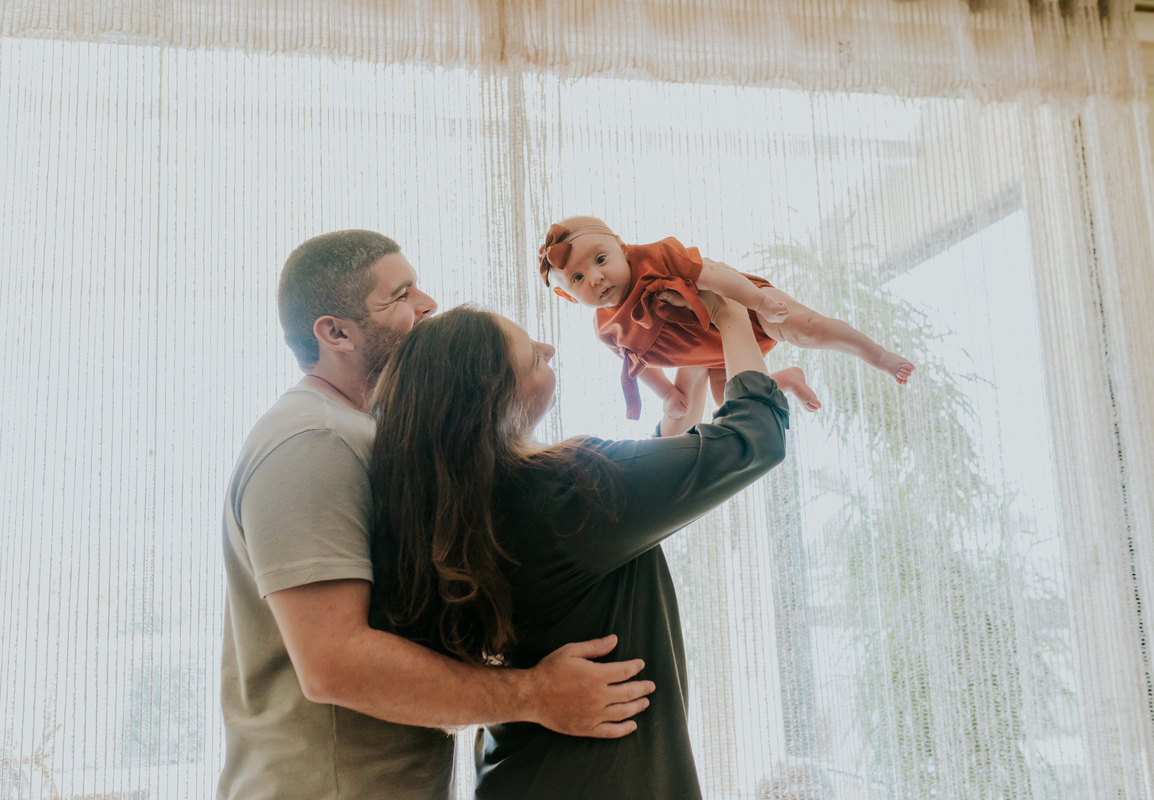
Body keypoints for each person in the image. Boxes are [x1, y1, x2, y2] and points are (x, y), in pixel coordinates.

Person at [218, 230, 655, 800]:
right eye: (400, 295)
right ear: (336, 332)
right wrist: (535, 696)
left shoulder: (369, 435)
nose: (427, 305)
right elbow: (334, 662)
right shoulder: (314, 442)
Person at [369, 292, 791, 798]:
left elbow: (626, 511)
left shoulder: (460, 508)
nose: (548, 347)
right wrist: (729, 317)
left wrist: (693, 377)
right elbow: (755, 437)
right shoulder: (567, 491)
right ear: (497, 397)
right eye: (531, 355)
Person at [538, 215, 914, 433]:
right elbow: (635, 365)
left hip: (743, 308)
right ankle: (788, 379)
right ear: (569, 297)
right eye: (577, 278)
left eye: (601, 259)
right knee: (729, 406)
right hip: (709, 354)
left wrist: (760, 301)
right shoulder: (607, 327)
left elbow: (715, 276)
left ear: (621, 246)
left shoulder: (657, 258)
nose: (596, 278)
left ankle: (876, 354)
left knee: (807, 328)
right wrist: (667, 394)